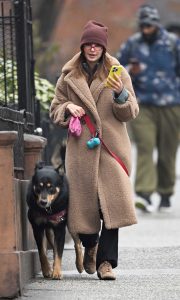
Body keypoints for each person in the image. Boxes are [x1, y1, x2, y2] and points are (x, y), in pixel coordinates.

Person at [50, 20, 139, 280]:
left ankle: (106, 263)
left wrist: (121, 94)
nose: (92, 49)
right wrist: (67, 108)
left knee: (111, 206)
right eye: (88, 44)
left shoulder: (117, 72)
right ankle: (91, 246)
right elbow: (54, 108)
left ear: (103, 47)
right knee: (84, 207)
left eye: (97, 45)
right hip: (81, 150)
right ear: (82, 46)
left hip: (111, 148)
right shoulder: (69, 75)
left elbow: (131, 112)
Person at [116, 5, 180, 213]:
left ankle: (165, 192)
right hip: (142, 103)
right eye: (143, 25)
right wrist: (129, 72)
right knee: (145, 146)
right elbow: (115, 69)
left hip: (171, 104)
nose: (146, 29)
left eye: (149, 25)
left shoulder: (172, 43)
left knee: (167, 151)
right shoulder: (133, 44)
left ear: (156, 24)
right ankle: (143, 192)